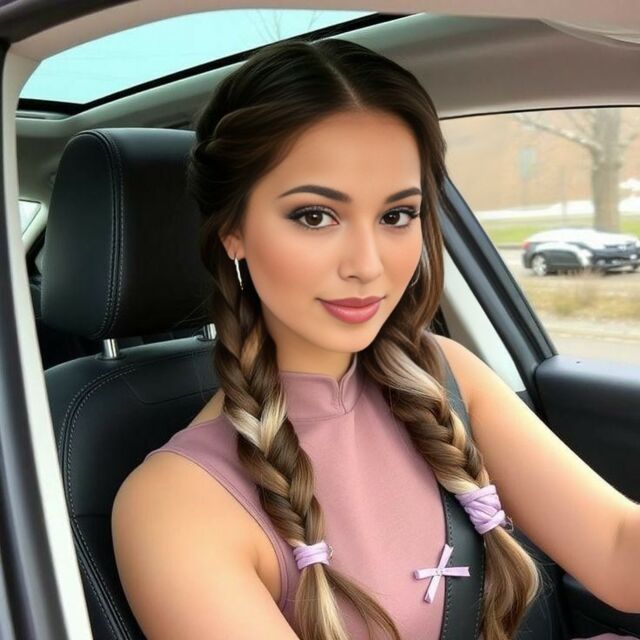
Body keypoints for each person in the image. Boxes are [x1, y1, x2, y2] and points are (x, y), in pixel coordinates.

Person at [111, 37, 638, 640]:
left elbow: (617, 549)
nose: (368, 265)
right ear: (232, 229)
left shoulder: (446, 373)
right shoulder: (174, 504)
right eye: (315, 215)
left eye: (396, 215)